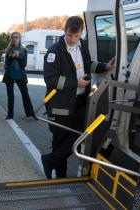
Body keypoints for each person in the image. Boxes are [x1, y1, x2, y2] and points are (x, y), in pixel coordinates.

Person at [41, 16, 115, 179]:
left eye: (76, 36)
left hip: (80, 102)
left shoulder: (83, 47)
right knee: (60, 139)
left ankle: (50, 161)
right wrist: (76, 84)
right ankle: (60, 174)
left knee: (79, 134)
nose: (73, 39)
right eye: (69, 35)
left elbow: (89, 65)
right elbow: (50, 78)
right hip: (60, 104)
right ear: (64, 31)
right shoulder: (54, 51)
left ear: (81, 33)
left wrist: (105, 66)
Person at [2, 32, 36, 120]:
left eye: (16, 37)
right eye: (13, 37)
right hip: (9, 75)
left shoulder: (24, 50)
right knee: (10, 95)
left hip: (20, 75)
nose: (15, 39)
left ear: (19, 38)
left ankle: (31, 113)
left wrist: (18, 57)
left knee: (25, 94)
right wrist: (11, 56)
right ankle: (10, 114)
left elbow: (24, 65)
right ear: (11, 38)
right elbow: (6, 64)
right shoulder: (8, 50)